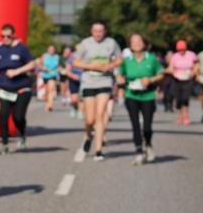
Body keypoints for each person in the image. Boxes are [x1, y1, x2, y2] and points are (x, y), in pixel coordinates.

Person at [73, 21, 121, 161]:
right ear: (91, 31)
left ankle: (98, 150)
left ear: (104, 31)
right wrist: (90, 66)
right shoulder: (85, 43)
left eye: (100, 31)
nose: (98, 33)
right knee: (90, 119)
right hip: (88, 82)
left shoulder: (111, 43)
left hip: (105, 81)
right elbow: (75, 62)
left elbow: (119, 59)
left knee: (100, 115)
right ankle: (88, 135)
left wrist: (110, 66)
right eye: (95, 31)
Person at [117, 34, 163, 165]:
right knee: (135, 125)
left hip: (148, 95)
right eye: (133, 42)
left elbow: (160, 74)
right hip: (131, 95)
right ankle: (138, 152)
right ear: (130, 45)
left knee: (147, 127)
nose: (136, 43)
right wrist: (120, 79)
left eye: (139, 41)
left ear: (144, 43)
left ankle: (148, 144)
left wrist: (150, 79)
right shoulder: (126, 60)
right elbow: (120, 74)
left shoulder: (151, 58)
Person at [0, 23, 35, 154]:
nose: (5, 38)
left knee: (18, 117)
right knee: (2, 116)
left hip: (21, 89)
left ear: (13, 35)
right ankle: (4, 145)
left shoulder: (22, 49)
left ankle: (22, 134)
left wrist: (17, 71)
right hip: (4, 89)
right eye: (2, 36)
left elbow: (32, 64)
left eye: (8, 36)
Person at [167, 39, 198, 125]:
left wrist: (193, 72)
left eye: (182, 49)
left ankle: (186, 115)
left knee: (185, 98)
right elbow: (171, 67)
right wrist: (172, 72)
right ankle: (180, 115)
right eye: (179, 49)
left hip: (188, 78)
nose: (181, 51)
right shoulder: (175, 56)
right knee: (178, 99)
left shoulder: (191, 55)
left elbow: (196, 65)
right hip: (177, 79)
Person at [38, 44, 61, 112]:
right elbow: (39, 64)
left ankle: (50, 105)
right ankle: (47, 104)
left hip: (53, 75)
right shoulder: (44, 56)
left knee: (51, 89)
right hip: (45, 75)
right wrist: (43, 68)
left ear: (54, 50)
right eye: (50, 49)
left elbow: (58, 66)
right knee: (47, 91)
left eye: (53, 49)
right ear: (48, 50)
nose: (51, 51)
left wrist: (58, 73)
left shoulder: (57, 57)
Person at [64, 45, 82, 118]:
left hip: (84, 80)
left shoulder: (87, 56)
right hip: (73, 79)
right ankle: (75, 108)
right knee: (74, 99)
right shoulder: (72, 57)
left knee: (82, 98)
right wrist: (73, 76)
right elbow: (67, 70)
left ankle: (81, 112)